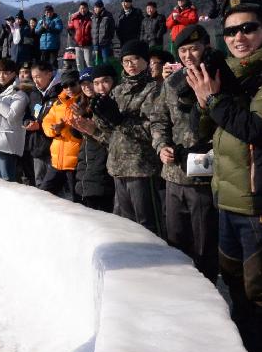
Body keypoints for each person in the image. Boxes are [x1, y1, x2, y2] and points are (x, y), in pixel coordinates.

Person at [187, 0, 262, 352]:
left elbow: (255, 129)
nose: (239, 36)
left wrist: (214, 101)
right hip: (226, 199)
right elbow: (204, 133)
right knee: (233, 291)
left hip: (255, 207)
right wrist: (204, 103)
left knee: (256, 297)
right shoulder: (231, 74)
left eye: (249, 28)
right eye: (232, 30)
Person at [150, 25, 218, 282]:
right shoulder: (171, 83)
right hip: (173, 174)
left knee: (204, 248)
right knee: (176, 243)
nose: (188, 55)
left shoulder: (217, 77)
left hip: (205, 176)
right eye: (183, 50)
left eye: (194, 48)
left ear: (206, 48)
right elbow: (158, 119)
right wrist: (161, 146)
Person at [92, 40, 161, 234]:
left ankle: (158, 262)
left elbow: (153, 129)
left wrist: (120, 120)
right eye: (126, 61)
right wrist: (101, 116)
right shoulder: (118, 90)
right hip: (117, 166)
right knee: (125, 225)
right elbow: (109, 132)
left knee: (147, 225)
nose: (131, 65)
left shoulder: (154, 89)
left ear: (146, 61)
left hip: (142, 166)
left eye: (136, 59)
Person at [70, 65, 116, 212]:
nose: (87, 87)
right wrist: (78, 122)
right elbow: (79, 135)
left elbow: (108, 135)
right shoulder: (81, 103)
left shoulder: (107, 103)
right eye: (83, 84)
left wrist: (89, 125)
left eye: (90, 83)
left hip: (103, 166)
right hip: (86, 163)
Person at [0, 58, 29, 182]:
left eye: (5, 73)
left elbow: (11, 116)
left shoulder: (19, 93)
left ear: (14, 73)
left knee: (7, 179)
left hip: (7, 142)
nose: (1, 76)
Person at [40, 69, 83, 201]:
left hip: (75, 162)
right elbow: (46, 121)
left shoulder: (84, 100)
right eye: (65, 85)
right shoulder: (58, 102)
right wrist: (55, 130)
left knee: (77, 201)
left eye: (72, 84)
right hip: (57, 160)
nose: (69, 88)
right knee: (42, 195)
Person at [24, 61, 60, 187]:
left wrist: (40, 125)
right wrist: (27, 122)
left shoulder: (60, 92)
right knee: (39, 185)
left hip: (53, 147)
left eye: (38, 77)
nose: (35, 81)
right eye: (33, 78)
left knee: (53, 187)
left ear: (49, 74)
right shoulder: (34, 93)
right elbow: (29, 114)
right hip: (37, 146)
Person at [68, 2, 93, 71]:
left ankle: (90, 78)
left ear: (87, 8)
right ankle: (81, 77)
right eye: (81, 8)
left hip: (88, 44)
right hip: (77, 44)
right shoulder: (75, 18)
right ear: (79, 9)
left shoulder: (92, 17)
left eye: (84, 8)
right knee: (79, 63)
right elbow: (70, 29)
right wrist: (74, 37)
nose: (83, 10)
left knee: (89, 62)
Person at [91, 0, 116, 65]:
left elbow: (112, 28)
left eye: (97, 7)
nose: (95, 9)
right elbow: (92, 30)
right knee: (97, 62)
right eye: (95, 7)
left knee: (106, 61)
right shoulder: (93, 17)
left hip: (105, 44)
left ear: (101, 7)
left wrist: (108, 39)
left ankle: (107, 74)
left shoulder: (108, 16)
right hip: (96, 44)